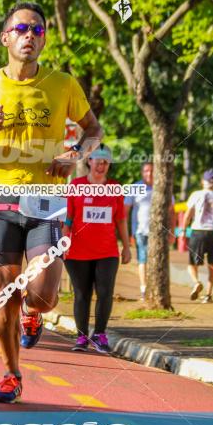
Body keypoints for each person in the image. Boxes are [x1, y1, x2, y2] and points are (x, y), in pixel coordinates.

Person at [0, 1, 103, 403]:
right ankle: (11, 374)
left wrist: (75, 154)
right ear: (5, 37)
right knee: (4, 291)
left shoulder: (63, 84)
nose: (29, 36)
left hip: (46, 200)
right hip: (1, 197)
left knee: (41, 293)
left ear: (44, 39)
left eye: (37, 30)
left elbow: (93, 130)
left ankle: (34, 312)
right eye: (21, 29)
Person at [63, 146, 131, 354]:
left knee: (105, 292)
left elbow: (120, 220)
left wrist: (126, 247)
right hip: (78, 251)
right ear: (89, 162)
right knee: (82, 294)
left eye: (106, 162)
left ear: (109, 165)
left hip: (107, 251)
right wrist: (64, 240)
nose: (101, 166)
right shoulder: (76, 186)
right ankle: (82, 337)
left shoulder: (115, 188)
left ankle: (100, 334)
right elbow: (68, 218)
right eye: (97, 161)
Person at [125, 161, 174, 300]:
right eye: (146, 171)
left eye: (152, 171)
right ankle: (143, 289)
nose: (149, 173)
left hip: (161, 232)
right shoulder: (135, 187)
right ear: (142, 172)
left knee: (160, 260)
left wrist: (173, 231)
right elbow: (125, 211)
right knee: (143, 260)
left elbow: (172, 212)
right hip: (140, 231)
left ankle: (159, 289)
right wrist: (129, 233)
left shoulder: (163, 186)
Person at [180, 169, 213, 303]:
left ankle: (196, 282)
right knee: (212, 265)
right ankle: (208, 295)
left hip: (198, 231)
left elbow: (188, 214)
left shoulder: (195, 195)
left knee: (192, 264)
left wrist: (183, 231)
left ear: (203, 182)